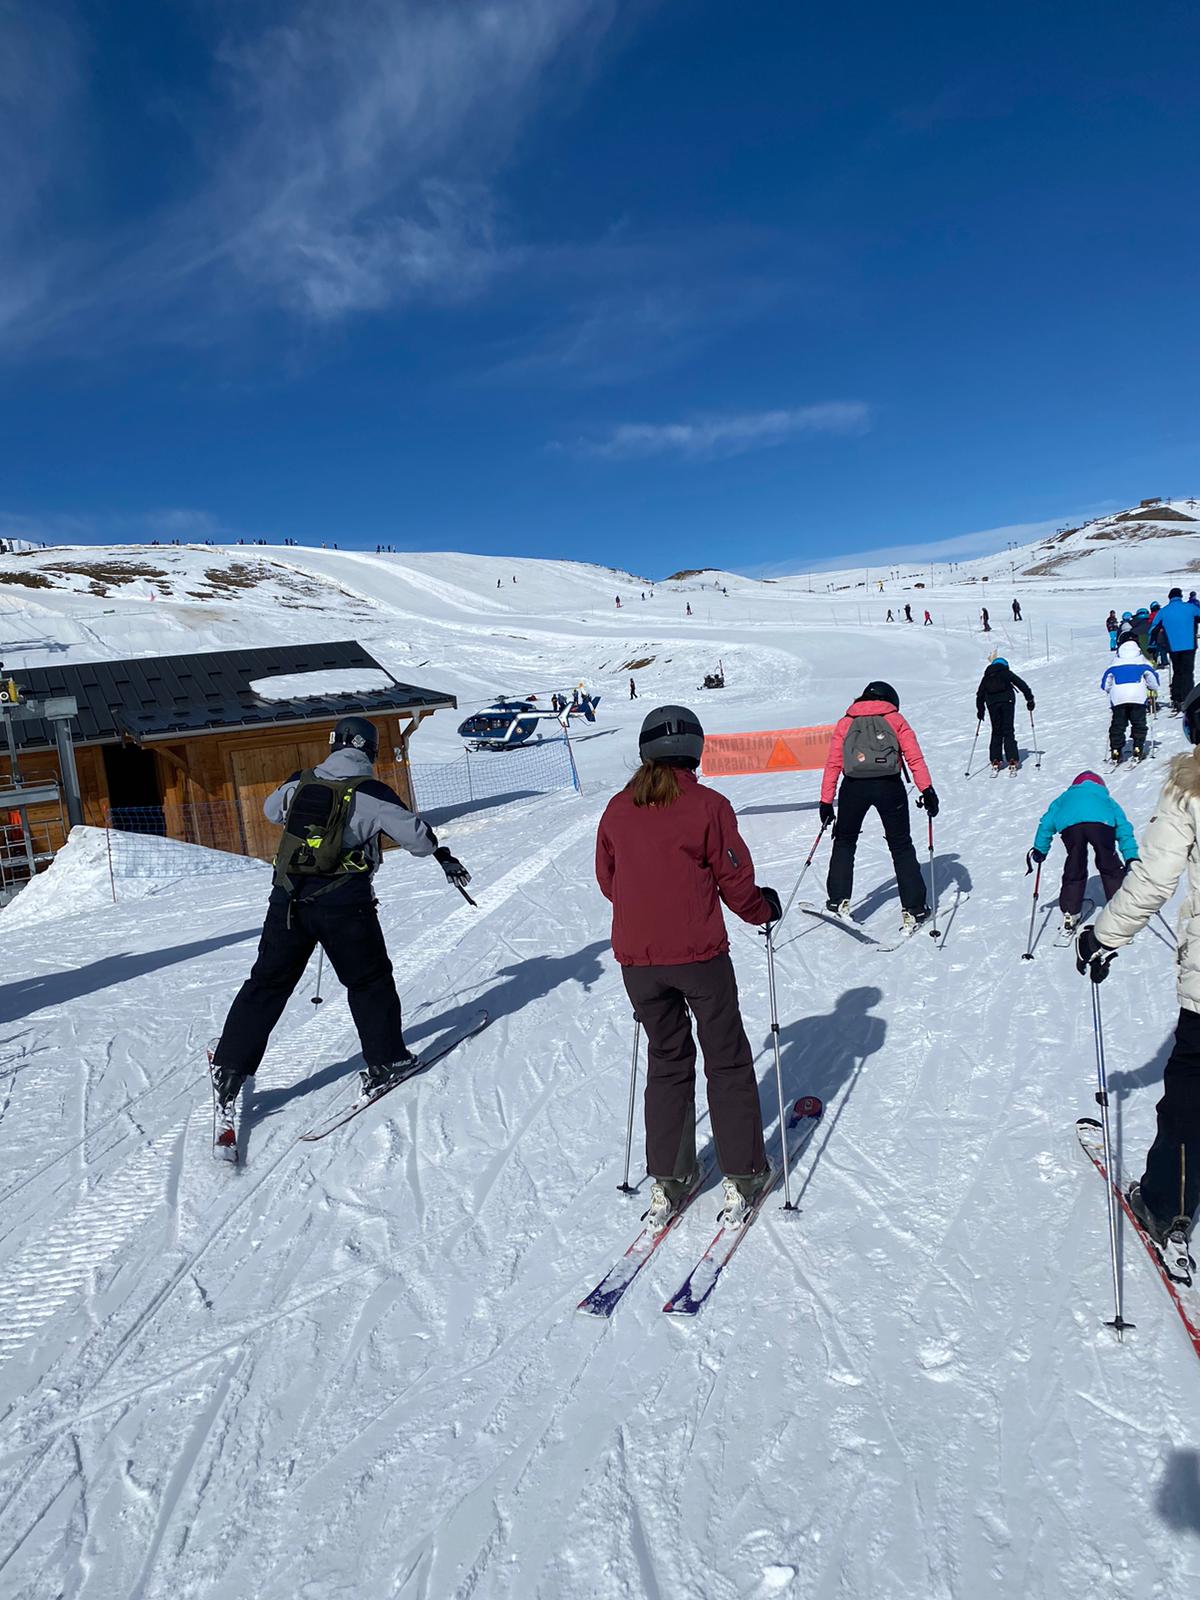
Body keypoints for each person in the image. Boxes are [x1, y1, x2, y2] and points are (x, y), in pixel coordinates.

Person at [208, 717, 472, 1113]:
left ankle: (230, 1067)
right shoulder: (372, 792)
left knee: (267, 983)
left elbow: (269, 811)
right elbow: (417, 840)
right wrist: (438, 854)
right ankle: (387, 1061)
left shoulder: (302, 781)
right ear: (369, 748)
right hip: (345, 905)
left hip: (288, 900)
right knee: (368, 982)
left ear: (334, 744)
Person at [595, 706, 781, 1229]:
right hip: (699, 958)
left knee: (667, 1059)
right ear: (695, 750)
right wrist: (762, 909)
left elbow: (610, 881)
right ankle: (744, 1174)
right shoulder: (707, 805)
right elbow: (735, 880)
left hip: (640, 963)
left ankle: (670, 1179)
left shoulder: (617, 809)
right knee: (725, 1058)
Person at [1075, 685, 1200, 1253]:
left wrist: (1104, 935)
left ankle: (1165, 1206)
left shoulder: (1189, 786)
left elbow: (1153, 878)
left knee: (1190, 1091)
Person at [819, 681, 938, 929]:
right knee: (901, 845)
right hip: (889, 786)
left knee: (844, 841)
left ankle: (837, 901)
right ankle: (914, 909)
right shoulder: (895, 719)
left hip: (853, 787)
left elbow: (833, 763)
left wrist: (826, 801)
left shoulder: (847, 721)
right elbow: (913, 756)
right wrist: (926, 789)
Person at [1030, 771, 1137, 933]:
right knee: (1109, 865)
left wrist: (1040, 849)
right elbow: (1123, 828)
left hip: (1071, 827)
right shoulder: (1105, 799)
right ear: (1100, 785)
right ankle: (1120, 913)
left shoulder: (1064, 798)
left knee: (1075, 863)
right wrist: (1131, 856)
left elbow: (1046, 823)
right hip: (1102, 824)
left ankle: (1070, 913)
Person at [1101, 638, 1159, 763]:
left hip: (1118, 699)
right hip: (1138, 698)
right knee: (1138, 723)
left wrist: (1110, 690)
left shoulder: (1114, 665)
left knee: (1118, 725)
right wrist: (1151, 688)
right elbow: (1153, 680)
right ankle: (1138, 748)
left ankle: (1116, 750)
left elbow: (1105, 685)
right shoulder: (1142, 663)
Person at [975, 656, 1034, 772]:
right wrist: (1029, 699)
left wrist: (980, 710)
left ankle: (995, 759)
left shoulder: (986, 677)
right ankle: (1012, 758)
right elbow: (1021, 684)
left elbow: (980, 694)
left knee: (996, 730)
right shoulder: (1006, 673)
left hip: (992, 704)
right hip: (1008, 702)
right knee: (1008, 729)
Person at [1150, 587, 1200, 711]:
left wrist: (1151, 645)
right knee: (1188, 672)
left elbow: (1153, 628)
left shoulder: (1163, 611)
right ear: (1181, 596)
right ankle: (1187, 699)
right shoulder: (1190, 608)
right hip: (1189, 645)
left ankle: (1176, 698)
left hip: (1173, 647)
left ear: (1169, 598)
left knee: (1177, 672)